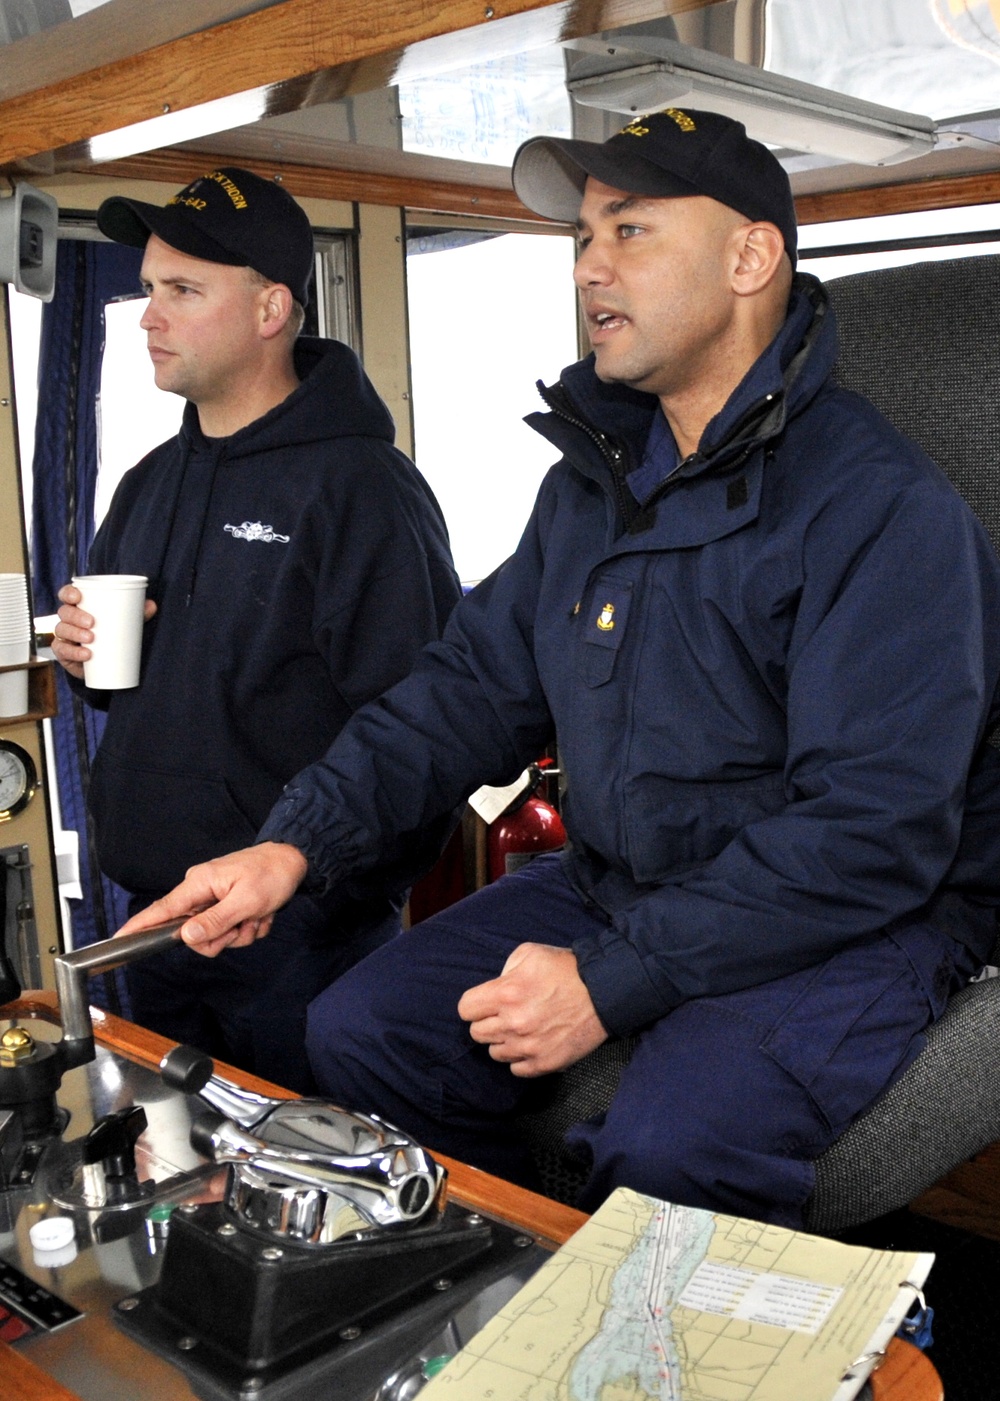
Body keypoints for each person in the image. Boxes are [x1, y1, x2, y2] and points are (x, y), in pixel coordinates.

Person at [120, 113, 1000, 1226]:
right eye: (584, 236)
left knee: (675, 1141)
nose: (590, 265)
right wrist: (294, 842)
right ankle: (515, 1286)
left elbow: (870, 833)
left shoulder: (882, 511)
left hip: (852, 913)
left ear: (749, 259)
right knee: (357, 1030)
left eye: (629, 229)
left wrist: (611, 979)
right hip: (627, 877)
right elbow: (461, 692)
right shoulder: (591, 488)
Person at [52, 167, 461, 1092]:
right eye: (149, 288)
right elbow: (146, 681)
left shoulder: (367, 492)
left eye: (183, 291)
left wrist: (323, 883)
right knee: (172, 1190)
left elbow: (426, 732)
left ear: (272, 307)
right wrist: (84, 662)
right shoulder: (146, 482)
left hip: (300, 941)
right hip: (153, 921)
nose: (149, 316)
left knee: (309, 1205)